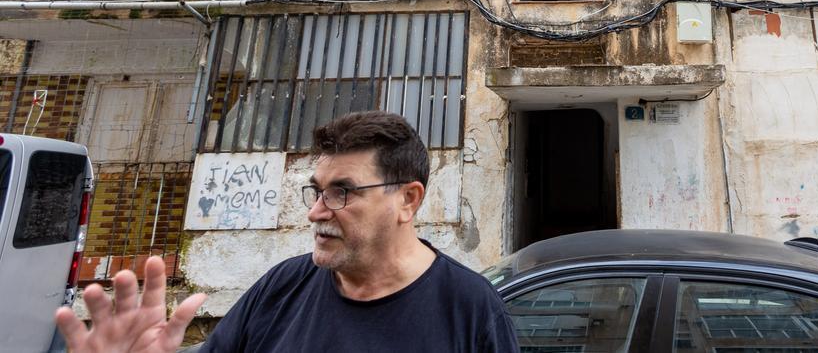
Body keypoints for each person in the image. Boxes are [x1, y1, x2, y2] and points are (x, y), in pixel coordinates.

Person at [56, 111, 520, 352]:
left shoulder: (471, 310)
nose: (317, 212)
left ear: (408, 200)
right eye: (317, 191)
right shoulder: (281, 289)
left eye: (342, 192)